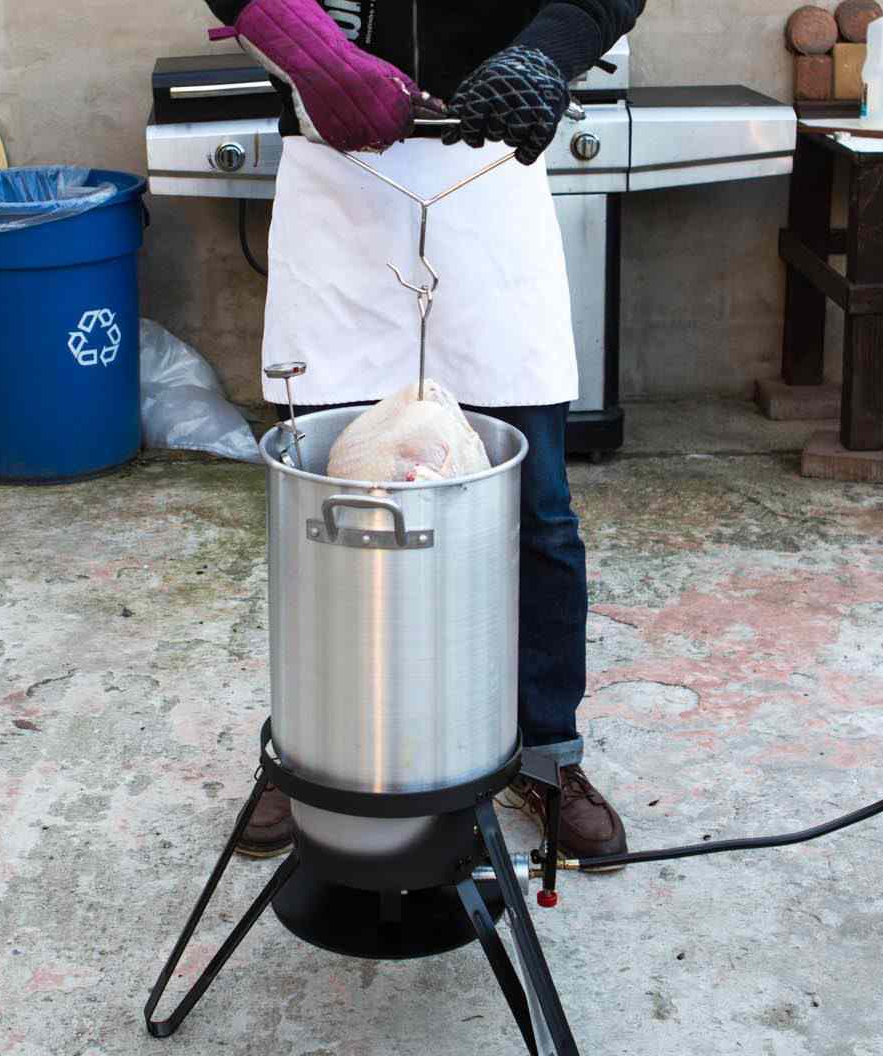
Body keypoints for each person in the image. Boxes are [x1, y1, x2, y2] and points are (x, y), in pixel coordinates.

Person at [203, 0, 644, 863]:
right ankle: (310, 753)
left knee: (538, 510)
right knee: (326, 513)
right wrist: (315, 48)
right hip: (338, 182)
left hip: (489, 174)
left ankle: (546, 754)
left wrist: (543, 56)